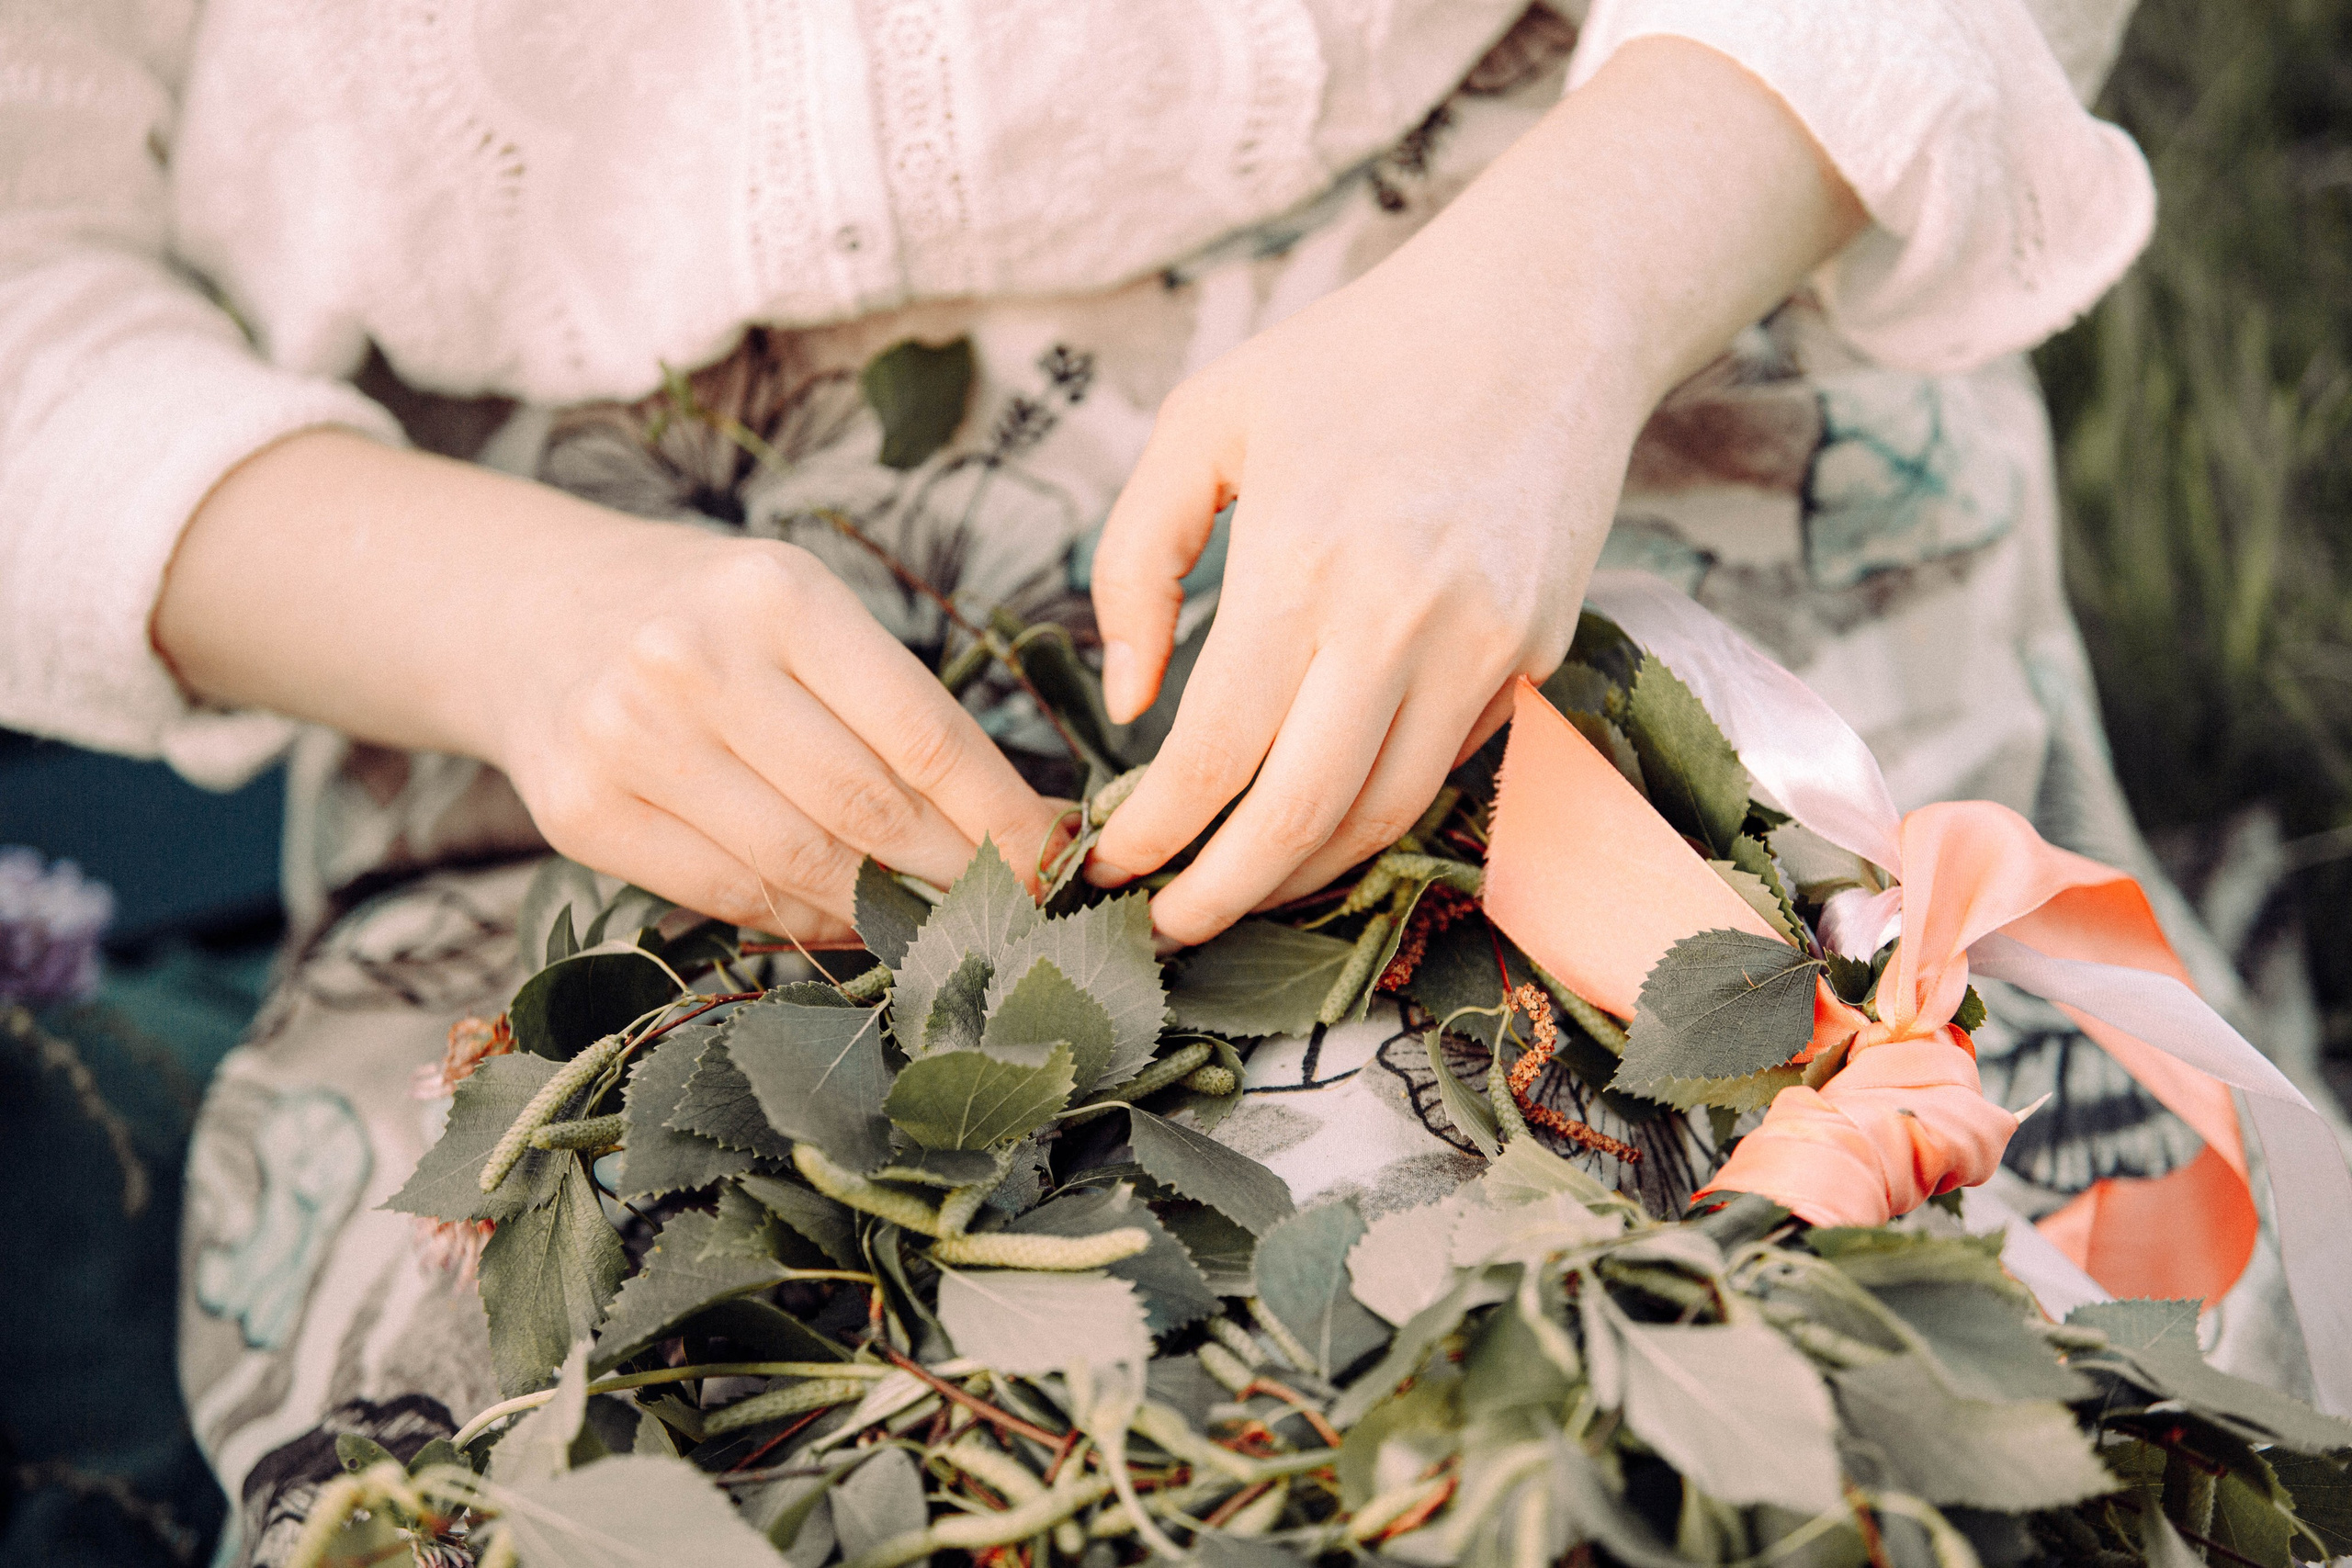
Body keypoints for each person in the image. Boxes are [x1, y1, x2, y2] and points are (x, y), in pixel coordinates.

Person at [8, 3, 2291, 1562]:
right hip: (586, 676)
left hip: (1559, 380)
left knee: (1771, 1373)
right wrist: (496, 619)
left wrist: (1564, 301)